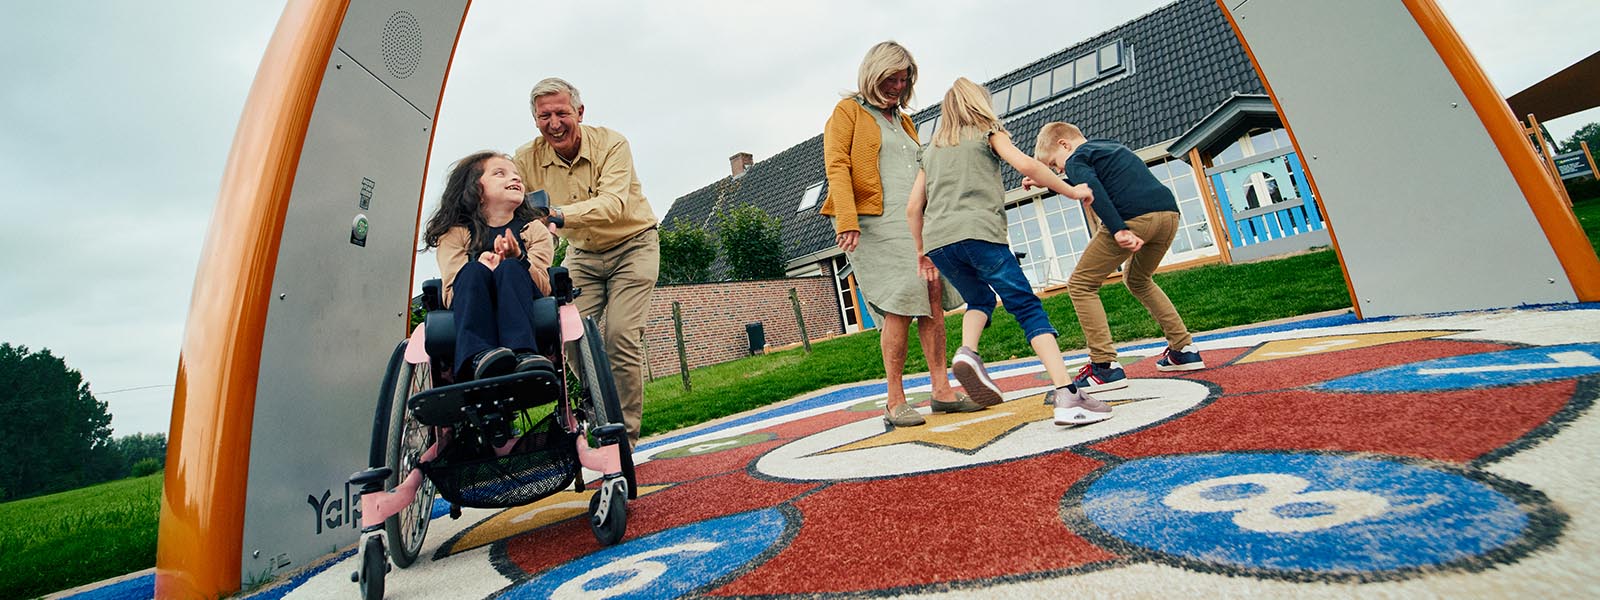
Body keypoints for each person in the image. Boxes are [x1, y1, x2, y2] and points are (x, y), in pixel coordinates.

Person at [906, 77, 1106, 426]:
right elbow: (1027, 165)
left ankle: (968, 352)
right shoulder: (988, 132)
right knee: (1026, 307)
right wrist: (1071, 191)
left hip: (940, 243)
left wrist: (921, 251)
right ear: (979, 104)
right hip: (980, 234)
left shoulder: (931, 150)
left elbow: (912, 207)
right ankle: (1068, 395)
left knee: (979, 300)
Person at [820, 41, 979, 428]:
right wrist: (847, 219)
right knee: (903, 299)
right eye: (891, 78)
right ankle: (894, 400)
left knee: (933, 292)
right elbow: (837, 166)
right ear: (874, 75)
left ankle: (942, 391)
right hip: (874, 220)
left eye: (904, 79)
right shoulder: (848, 112)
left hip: (915, 220)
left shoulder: (905, 121)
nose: (898, 85)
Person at [512, 78, 657, 447]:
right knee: (570, 338)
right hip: (582, 255)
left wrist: (556, 215)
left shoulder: (612, 144)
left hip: (633, 245)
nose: (554, 123)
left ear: (579, 112)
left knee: (621, 335)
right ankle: (601, 406)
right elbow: (516, 208)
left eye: (562, 112)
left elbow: (613, 205)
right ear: (535, 120)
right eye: (545, 116)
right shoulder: (525, 159)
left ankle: (623, 438)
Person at [1025, 121, 1205, 410]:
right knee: (1138, 279)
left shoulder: (1077, 158)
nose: (1060, 172)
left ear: (1064, 145)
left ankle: (1104, 366)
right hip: (1167, 215)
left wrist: (1118, 227)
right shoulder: (1108, 147)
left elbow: (1091, 187)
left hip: (1132, 220)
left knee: (1081, 284)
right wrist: (1046, 179)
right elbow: (1087, 181)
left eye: (1055, 166)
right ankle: (1183, 349)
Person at [420, 151, 555, 381]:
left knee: (511, 268)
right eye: (500, 173)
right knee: (473, 271)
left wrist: (520, 258)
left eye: (516, 175)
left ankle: (523, 353)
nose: (515, 179)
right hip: (470, 302)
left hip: (525, 300)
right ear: (476, 190)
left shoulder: (534, 230)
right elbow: (451, 294)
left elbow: (544, 288)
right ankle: (479, 355)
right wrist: (480, 266)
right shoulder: (455, 233)